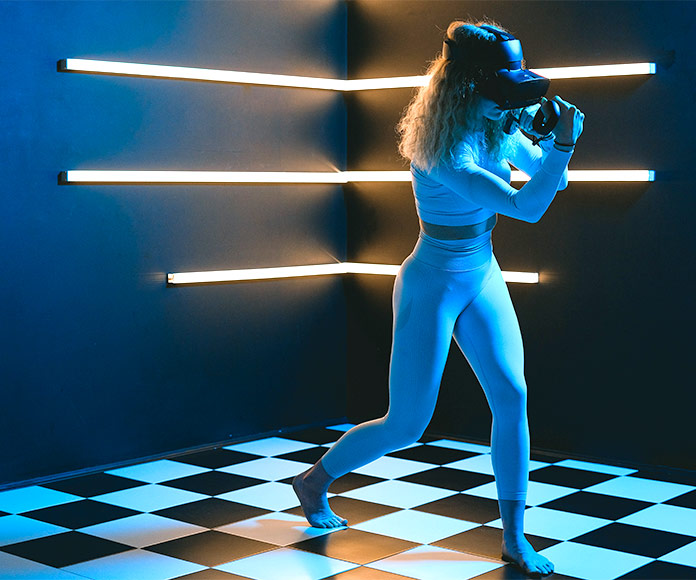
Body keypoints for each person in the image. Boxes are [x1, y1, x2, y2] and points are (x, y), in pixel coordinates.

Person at [293, 19, 584, 578]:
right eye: (503, 85)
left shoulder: (494, 121)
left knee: (512, 395)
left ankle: (514, 538)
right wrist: (562, 146)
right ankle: (314, 480)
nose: (511, 97)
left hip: (482, 271)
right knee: (406, 424)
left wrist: (546, 145)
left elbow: (553, 180)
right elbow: (526, 207)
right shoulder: (441, 150)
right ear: (471, 87)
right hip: (432, 281)